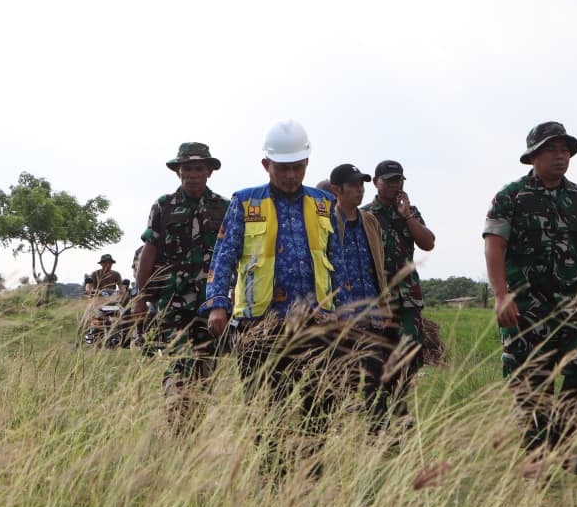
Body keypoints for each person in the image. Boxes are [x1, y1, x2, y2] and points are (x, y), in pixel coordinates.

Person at [200, 119, 345, 475]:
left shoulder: (325, 203)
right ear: (266, 165)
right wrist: (218, 303)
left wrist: (348, 313)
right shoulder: (244, 203)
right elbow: (224, 256)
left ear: (307, 164)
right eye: (283, 168)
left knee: (320, 407)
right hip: (258, 326)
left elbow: (338, 263)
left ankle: (311, 480)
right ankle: (272, 480)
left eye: (297, 167)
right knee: (266, 410)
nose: (291, 175)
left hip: (317, 324)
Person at [483, 121, 577, 476]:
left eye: (565, 149)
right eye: (551, 149)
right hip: (526, 309)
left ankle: (564, 438)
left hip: (575, 306)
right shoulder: (510, 197)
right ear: (533, 156)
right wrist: (500, 296)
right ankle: (537, 454)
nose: (560, 156)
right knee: (531, 382)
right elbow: (494, 246)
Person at [134, 142, 230, 433]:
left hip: (209, 305)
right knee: (179, 367)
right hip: (172, 304)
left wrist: (229, 298)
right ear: (178, 171)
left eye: (199, 168)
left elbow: (231, 253)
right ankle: (176, 425)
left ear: (209, 172)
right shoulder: (163, 206)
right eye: (187, 168)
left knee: (205, 371)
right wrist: (141, 296)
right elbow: (149, 251)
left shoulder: (224, 207)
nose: (193, 174)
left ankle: (192, 433)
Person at [329, 163, 401, 433]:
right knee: (339, 381)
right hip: (341, 317)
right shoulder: (327, 221)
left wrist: (383, 304)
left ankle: (377, 437)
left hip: (372, 314)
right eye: (353, 186)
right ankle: (339, 436)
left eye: (361, 185)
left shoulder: (369, 221)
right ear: (337, 190)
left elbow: (377, 266)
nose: (359, 190)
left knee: (375, 379)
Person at [361, 159, 436, 405]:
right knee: (377, 357)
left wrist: (408, 217)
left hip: (408, 298)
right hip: (378, 298)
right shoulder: (365, 215)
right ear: (376, 183)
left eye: (399, 181)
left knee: (410, 353)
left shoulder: (410, 212)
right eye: (389, 181)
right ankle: (378, 408)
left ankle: (400, 403)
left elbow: (428, 243)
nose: (395, 186)